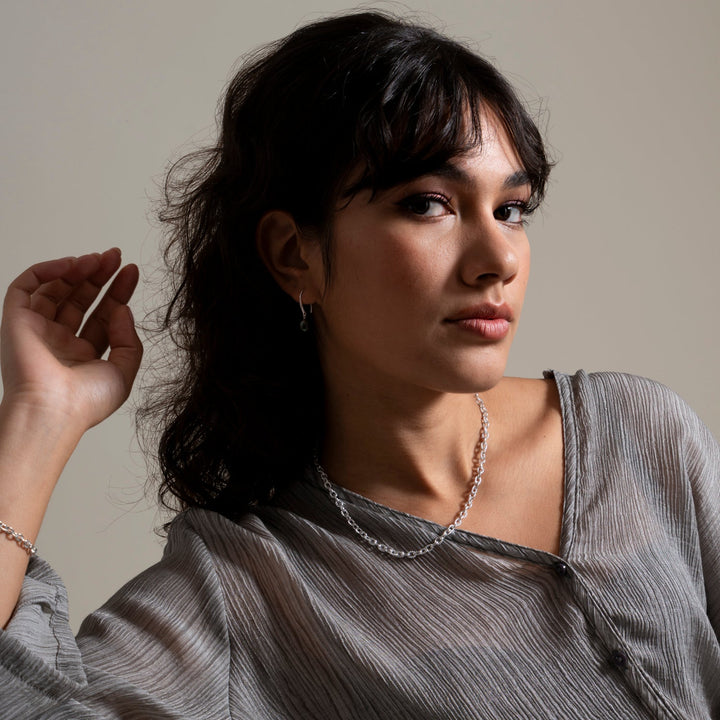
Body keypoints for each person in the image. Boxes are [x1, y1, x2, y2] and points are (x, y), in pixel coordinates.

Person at [0, 10, 717, 720]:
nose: (499, 258)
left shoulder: (640, 433)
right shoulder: (248, 591)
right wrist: (39, 418)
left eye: (511, 209)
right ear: (294, 256)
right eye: (429, 204)